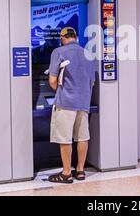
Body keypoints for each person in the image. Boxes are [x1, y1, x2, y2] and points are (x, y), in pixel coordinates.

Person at [48, 27, 96, 184]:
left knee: (65, 138)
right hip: (84, 102)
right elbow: (92, 81)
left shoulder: (58, 52)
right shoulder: (88, 54)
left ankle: (66, 173)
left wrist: (63, 92)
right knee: (82, 137)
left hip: (66, 102)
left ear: (62, 38)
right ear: (76, 37)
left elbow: (52, 81)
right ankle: (80, 171)